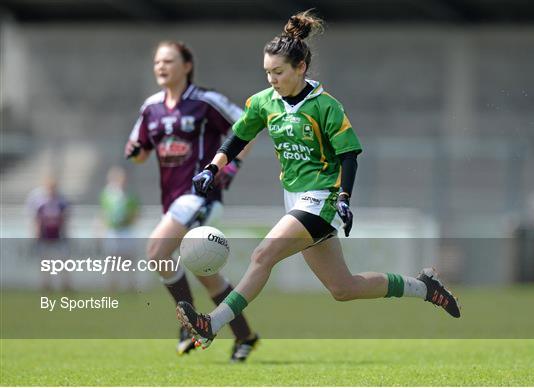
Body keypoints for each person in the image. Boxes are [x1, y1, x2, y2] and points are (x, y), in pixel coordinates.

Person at [177, 10, 461, 349]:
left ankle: (213, 323)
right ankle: (425, 287)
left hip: (321, 197)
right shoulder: (264, 102)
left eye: (278, 72)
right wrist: (213, 167)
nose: (272, 79)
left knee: (262, 255)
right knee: (344, 288)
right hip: (294, 198)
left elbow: (349, 155)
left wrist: (344, 197)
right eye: (267, 72)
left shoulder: (326, 107)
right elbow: (238, 138)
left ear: (301, 68)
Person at [124, 40, 258, 362]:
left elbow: (247, 128)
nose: (161, 67)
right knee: (206, 274)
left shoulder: (206, 101)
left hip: (200, 196)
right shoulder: (151, 107)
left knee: (157, 250)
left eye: (168, 61)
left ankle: (188, 325)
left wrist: (231, 166)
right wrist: (136, 152)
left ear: (186, 66)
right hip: (172, 202)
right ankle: (245, 336)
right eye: (157, 61)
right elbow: (138, 152)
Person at [26, 175, 70, 291]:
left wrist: (65, 233)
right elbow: (36, 219)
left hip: (58, 234)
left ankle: (65, 285)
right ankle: (46, 284)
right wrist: (36, 234)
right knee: (45, 261)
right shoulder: (39, 200)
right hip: (44, 234)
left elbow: (65, 218)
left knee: (63, 261)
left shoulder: (61, 200)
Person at [99, 166, 140, 291]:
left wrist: (129, 222)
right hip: (113, 232)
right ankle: (112, 286)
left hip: (126, 231)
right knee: (112, 261)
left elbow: (136, 214)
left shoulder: (130, 196)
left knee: (128, 260)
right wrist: (102, 230)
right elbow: (103, 213)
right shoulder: (107, 195)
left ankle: (131, 286)